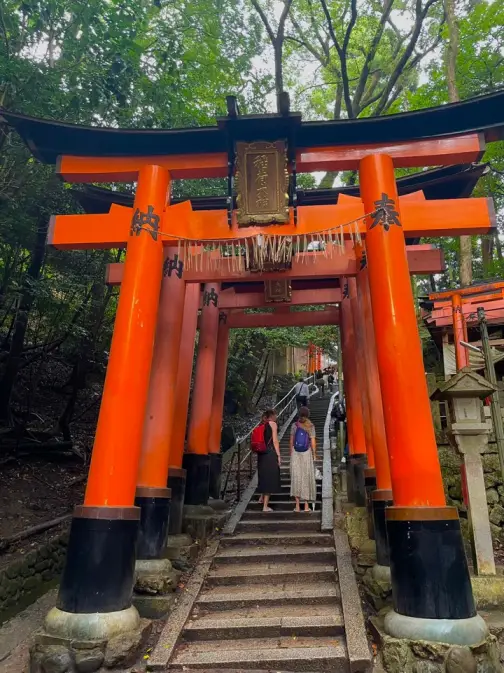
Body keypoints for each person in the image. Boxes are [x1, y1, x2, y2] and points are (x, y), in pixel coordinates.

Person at [290, 406, 317, 512]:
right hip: (306, 453)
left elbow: (291, 441)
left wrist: (291, 453)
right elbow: (313, 442)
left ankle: (297, 506)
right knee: (306, 477)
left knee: (296, 477)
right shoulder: (310, 426)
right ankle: (306, 506)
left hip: (296, 453)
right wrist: (314, 454)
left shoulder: (294, 425)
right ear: (308, 415)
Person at [256, 409, 281, 512]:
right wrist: (278, 455)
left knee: (263, 475)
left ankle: (261, 498)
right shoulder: (273, 424)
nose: (277, 416)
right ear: (272, 416)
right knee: (270, 477)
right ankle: (265, 506)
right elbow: (275, 441)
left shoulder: (262, 424)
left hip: (261, 454)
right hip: (270, 453)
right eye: (275, 415)